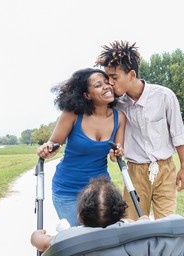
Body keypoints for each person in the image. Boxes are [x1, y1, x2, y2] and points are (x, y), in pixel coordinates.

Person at [94, 40, 184, 220]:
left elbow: (178, 135)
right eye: (108, 78)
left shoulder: (164, 96)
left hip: (165, 169)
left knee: (167, 224)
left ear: (131, 74)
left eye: (115, 78)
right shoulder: (117, 105)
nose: (111, 84)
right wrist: (115, 151)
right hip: (134, 171)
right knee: (132, 225)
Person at [37, 68, 126, 226]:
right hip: (68, 190)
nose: (106, 86)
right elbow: (55, 144)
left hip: (99, 192)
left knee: (103, 239)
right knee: (77, 238)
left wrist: (117, 152)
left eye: (107, 82)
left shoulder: (119, 118)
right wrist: (47, 148)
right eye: (98, 85)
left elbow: (115, 155)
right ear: (87, 95)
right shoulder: (72, 114)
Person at [30, 177, 148, 252]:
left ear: (79, 217)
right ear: (121, 214)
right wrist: (143, 219)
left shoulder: (70, 236)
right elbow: (136, 223)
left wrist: (37, 234)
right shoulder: (129, 228)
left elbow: (42, 243)